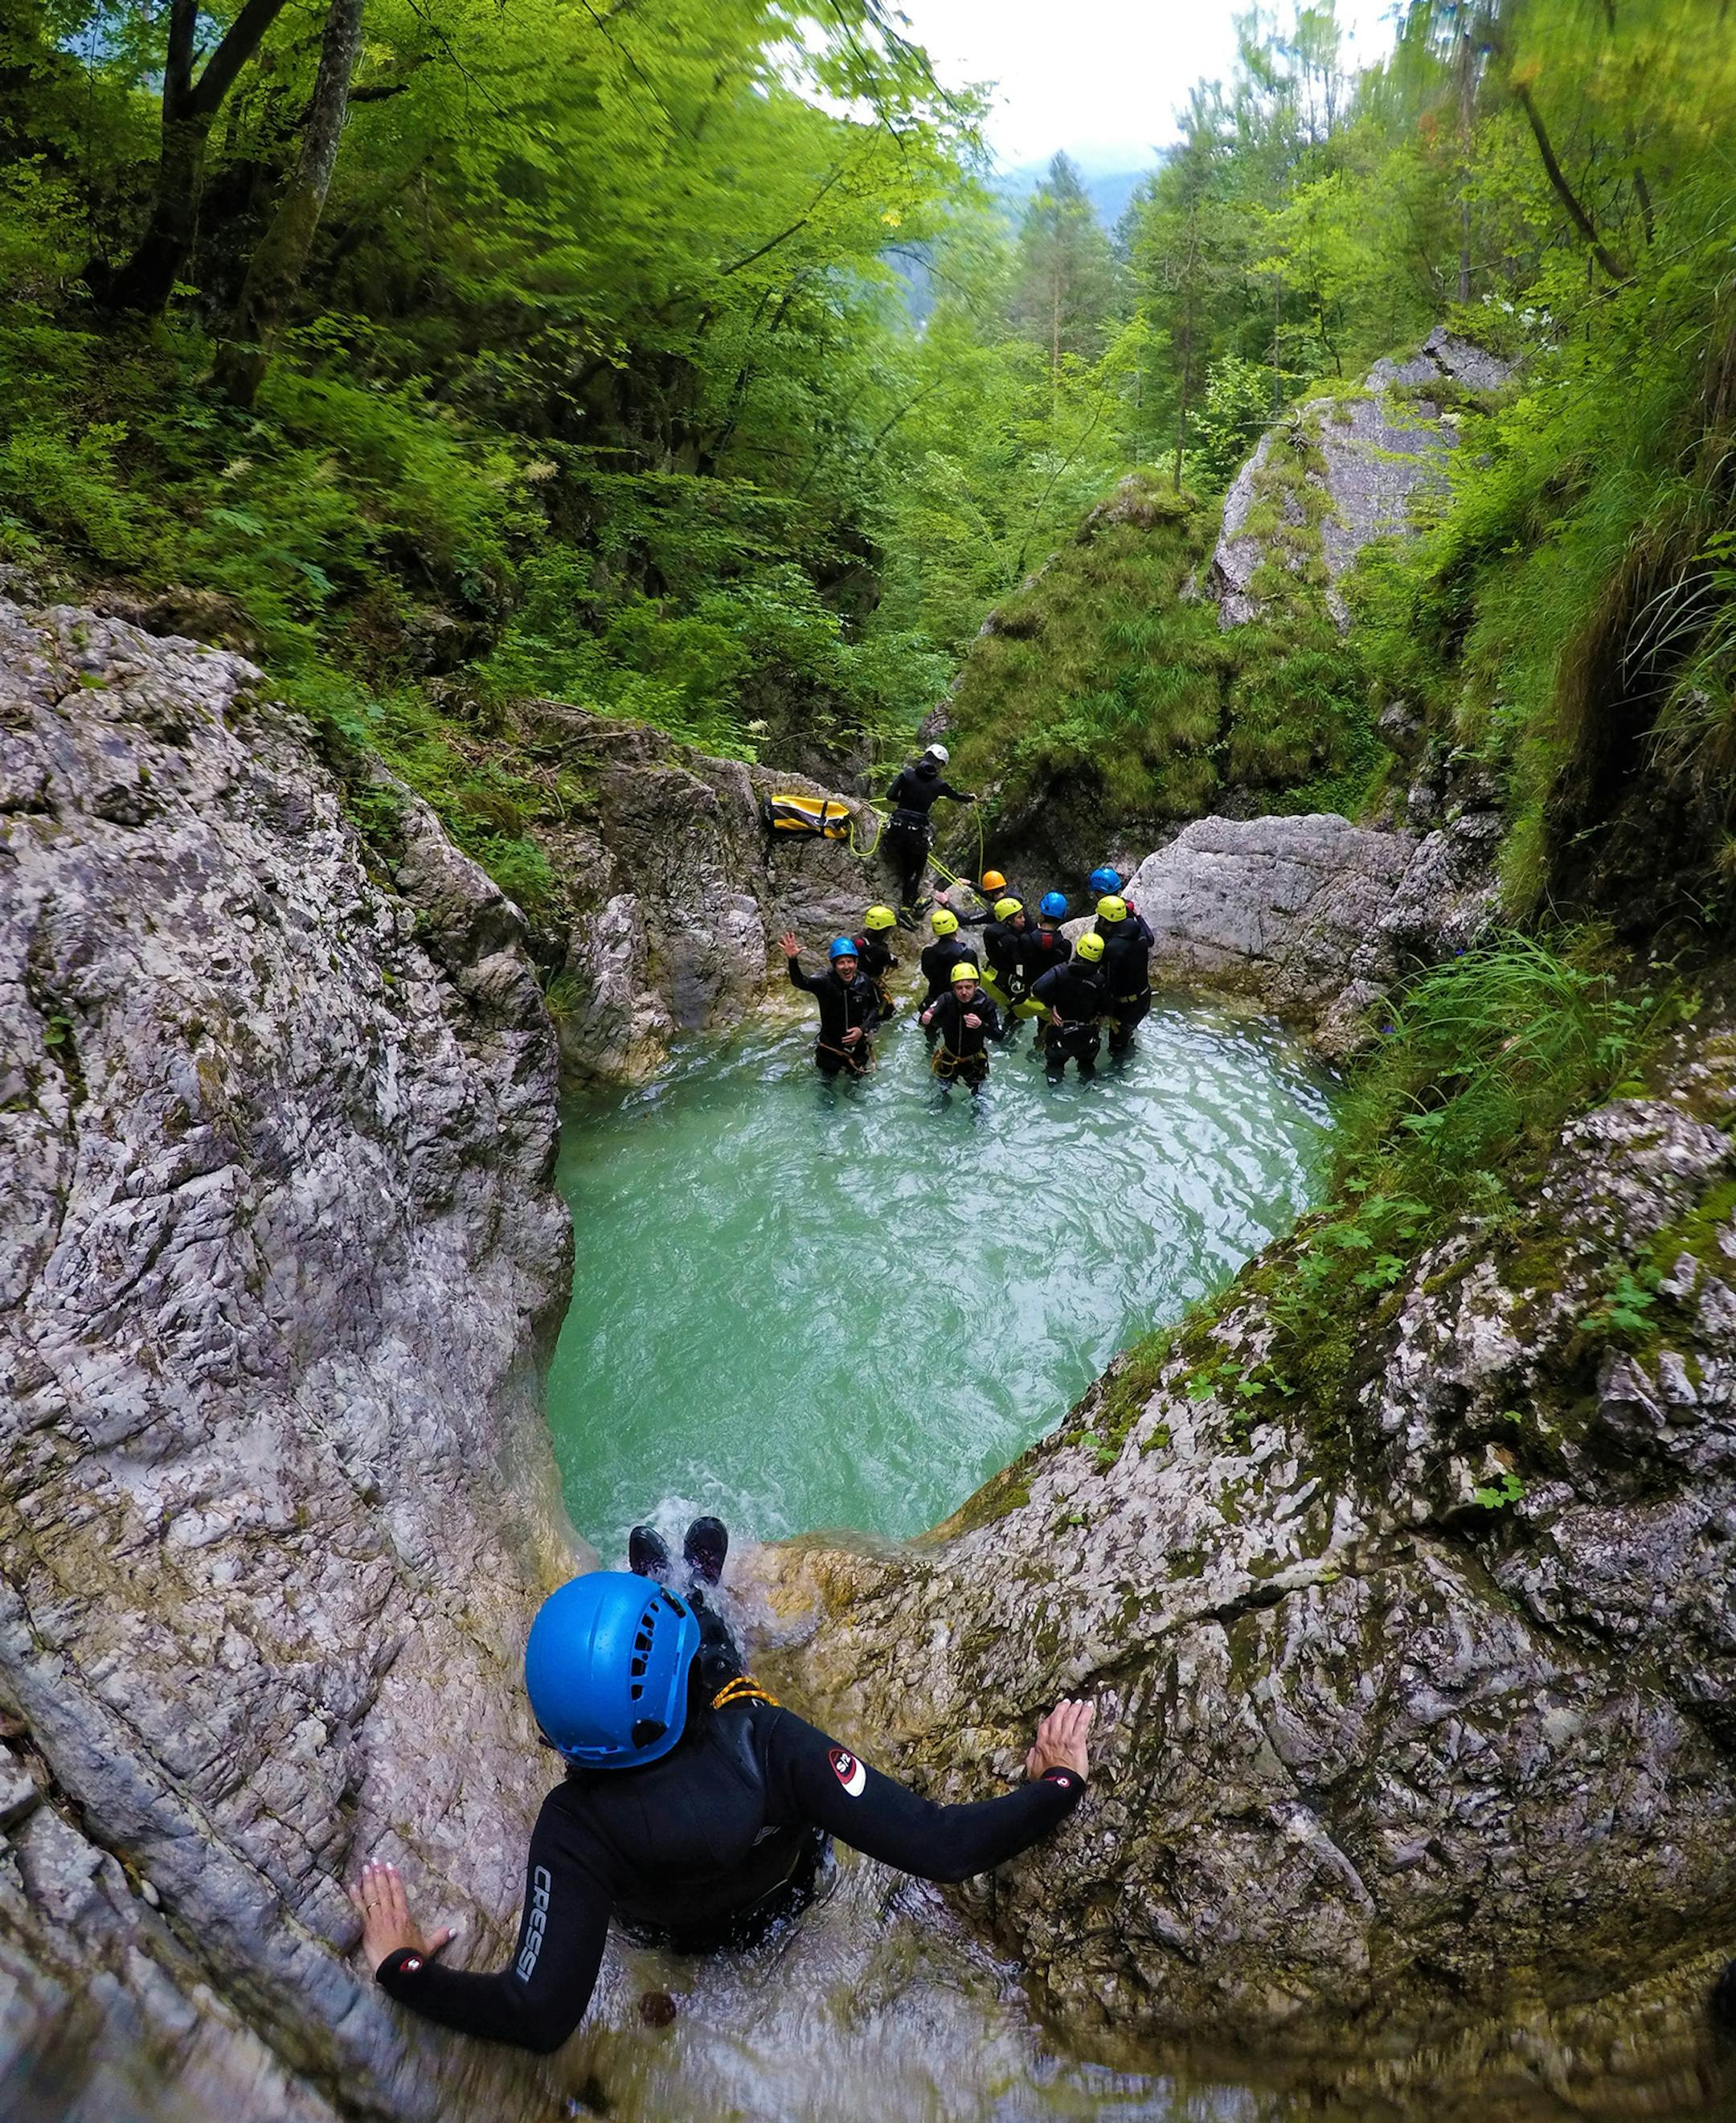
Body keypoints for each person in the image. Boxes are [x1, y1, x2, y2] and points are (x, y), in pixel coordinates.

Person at [349, 1554, 1095, 2055]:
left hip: (676, 1944)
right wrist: (1055, 1784)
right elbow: (945, 1846)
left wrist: (401, 1968)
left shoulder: (574, 1827)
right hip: (790, 1900)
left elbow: (537, 2015)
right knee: (724, 1666)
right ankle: (694, 1589)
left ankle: (680, 1582)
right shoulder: (767, 1742)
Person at [882, 744, 976, 924]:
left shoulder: (907, 774)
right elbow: (957, 796)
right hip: (917, 832)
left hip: (896, 827)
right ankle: (906, 907)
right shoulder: (939, 785)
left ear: (926, 756)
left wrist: (904, 801)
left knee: (904, 861)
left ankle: (909, 903)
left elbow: (890, 795)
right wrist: (971, 798)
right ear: (940, 764)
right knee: (915, 868)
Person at [780, 932, 884, 1077]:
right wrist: (792, 960)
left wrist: (862, 1029)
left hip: (857, 1047)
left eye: (850, 962)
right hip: (830, 1048)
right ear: (834, 965)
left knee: (856, 1086)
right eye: (841, 962)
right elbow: (800, 982)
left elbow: (875, 1007)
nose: (846, 967)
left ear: (856, 962)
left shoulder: (864, 981)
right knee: (826, 1089)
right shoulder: (825, 982)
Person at [1031, 930, 1108, 1083]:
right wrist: (1098, 1015)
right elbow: (1107, 1007)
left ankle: (1053, 1101)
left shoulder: (1060, 971)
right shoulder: (1100, 980)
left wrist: (1051, 1005)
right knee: (1087, 1068)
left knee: (1054, 1071)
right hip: (1087, 1036)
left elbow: (1037, 989)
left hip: (1060, 1033)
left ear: (1079, 949)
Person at [919, 961, 1003, 1093]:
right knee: (942, 1093)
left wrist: (981, 1025)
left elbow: (998, 1036)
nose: (964, 992)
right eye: (959, 988)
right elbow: (928, 1015)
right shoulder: (946, 1000)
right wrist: (926, 1017)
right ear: (953, 988)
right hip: (948, 1058)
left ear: (976, 986)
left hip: (974, 1061)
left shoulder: (987, 1004)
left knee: (978, 1098)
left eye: (968, 987)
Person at [1092, 895, 1156, 1059]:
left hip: (1125, 1006)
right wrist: (1138, 915)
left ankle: (1119, 1068)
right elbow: (1151, 939)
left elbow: (1108, 983)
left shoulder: (1114, 948)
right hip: (1144, 998)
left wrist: (1101, 1012)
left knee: (1116, 1049)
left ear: (1106, 921)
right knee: (1127, 1033)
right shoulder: (1138, 931)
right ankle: (1128, 1041)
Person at [981, 896, 1042, 1044]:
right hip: (1007, 979)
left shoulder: (991, 931)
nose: (1024, 920)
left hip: (993, 972)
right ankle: (1008, 1031)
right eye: (1019, 917)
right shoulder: (1012, 941)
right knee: (1014, 1011)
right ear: (1008, 921)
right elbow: (1020, 965)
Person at [1026, 893, 1073, 1059]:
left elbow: (1019, 966)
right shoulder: (1065, 946)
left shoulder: (1026, 940)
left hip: (1030, 992)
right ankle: (1044, 1045)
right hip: (1053, 996)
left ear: (1042, 913)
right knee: (1051, 1027)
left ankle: (1038, 1045)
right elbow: (1063, 974)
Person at [917, 907, 966, 1031]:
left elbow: (926, 973)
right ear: (955, 926)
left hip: (934, 998)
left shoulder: (928, 953)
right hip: (957, 1002)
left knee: (930, 1030)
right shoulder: (965, 953)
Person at [853, 904, 900, 1017]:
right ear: (883, 930)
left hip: (855, 980)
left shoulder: (857, 939)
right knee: (889, 1011)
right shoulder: (880, 950)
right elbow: (893, 963)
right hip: (871, 983)